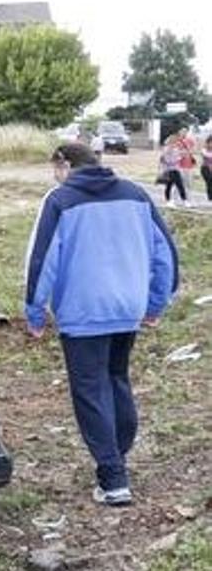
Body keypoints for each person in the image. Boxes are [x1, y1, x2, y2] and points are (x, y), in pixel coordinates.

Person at [24, 142, 178, 506]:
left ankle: (113, 477)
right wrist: (155, 303)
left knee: (91, 389)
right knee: (116, 380)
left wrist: (35, 312)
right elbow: (166, 254)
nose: (55, 177)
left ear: (64, 163)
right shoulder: (136, 195)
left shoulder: (60, 200)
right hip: (128, 308)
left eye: (55, 169)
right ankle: (117, 455)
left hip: (83, 312)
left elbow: (42, 259)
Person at [157, 133, 189, 206]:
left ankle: (185, 200)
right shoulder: (166, 149)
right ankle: (168, 201)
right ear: (170, 141)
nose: (176, 143)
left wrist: (182, 155)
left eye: (176, 141)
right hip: (168, 170)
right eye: (174, 141)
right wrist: (178, 158)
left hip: (176, 170)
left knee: (180, 185)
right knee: (169, 186)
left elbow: (181, 155)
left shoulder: (176, 149)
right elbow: (167, 160)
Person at [201, 136, 212, 203]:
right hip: (205, 168)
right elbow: (207, 155)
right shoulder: (204, 149)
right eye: (211, 142)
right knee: (209, 182)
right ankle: (210, 198)